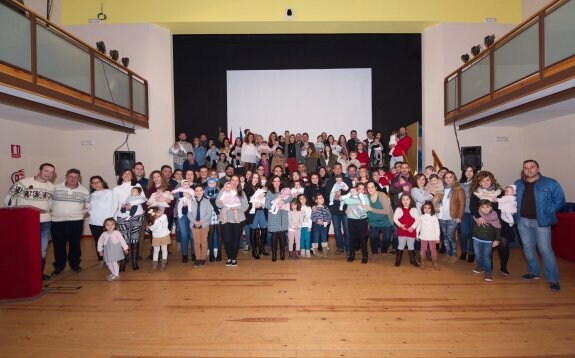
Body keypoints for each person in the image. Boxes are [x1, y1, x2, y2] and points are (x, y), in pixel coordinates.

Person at [515, 160, 565, 292]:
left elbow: (560, 201)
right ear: (523, 170)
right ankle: (534, 272)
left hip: (541, 222)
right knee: (528, 248)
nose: (529, 170)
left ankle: (553, 279)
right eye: (526, 168)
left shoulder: (550, 183)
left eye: (532, 167)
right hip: (523, 221)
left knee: (545, 250)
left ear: (538, 168)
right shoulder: (518, 184)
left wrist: (547, 211)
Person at [4, 163, 55, 280]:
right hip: (26, 222)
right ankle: (23, 273)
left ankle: (38, 274)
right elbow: (10, 198)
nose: (49, 174)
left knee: (42, 249)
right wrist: (12, 215)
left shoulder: (52, 187)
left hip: (45, 222)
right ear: (39, 170)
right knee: (25, 247)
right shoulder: (23, 183)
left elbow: (51, 203)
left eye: (52, 172)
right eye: (46, 171)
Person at [469, 171, 513, 275]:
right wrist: (479, 217)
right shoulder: (476, 194)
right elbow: (472, 207)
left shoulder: (500, 192)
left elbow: (507, 205)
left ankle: (503, 268)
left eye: (487, 180)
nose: (485, 182)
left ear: (491, 180)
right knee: (487, 246)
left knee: (503, 244)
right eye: (482, 180)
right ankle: (488, 267)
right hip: (484, 223)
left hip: (500, 222)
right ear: (479, 182)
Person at [50, 168, 90, 277]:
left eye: (76, 177)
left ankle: (75, 265)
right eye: (71, 176)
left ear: (79, 178)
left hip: (76, 222)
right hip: (57, 222)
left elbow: (88, 206)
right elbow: (49, 203)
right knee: (58, 245)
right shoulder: (55, 188)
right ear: (66, 177)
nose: (73, 179)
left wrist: (81, 214)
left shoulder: (84, 190)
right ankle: (59, 266)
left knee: (75, 245)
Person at [113, 168, 146, 271]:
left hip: (137, 215)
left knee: (134, 238)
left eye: (129, 173)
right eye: (124, 173)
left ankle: (134, 261)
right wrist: (113, 218)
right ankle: (123, 261)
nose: (127, 175)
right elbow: (114, 205)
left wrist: (130, 204)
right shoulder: (116, 189)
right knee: (124, 239)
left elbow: (143, 198)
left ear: (132, 176)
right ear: (121, 176)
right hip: (122, 216)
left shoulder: (137, 186)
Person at [216, 175, 248, 267]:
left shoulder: (242, 192)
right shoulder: (223, 190)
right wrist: (221, 203)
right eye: (232, 180)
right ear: (230, 181)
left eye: (236, 180)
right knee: (226, 239)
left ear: (239, 182)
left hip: (238, 219)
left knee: (236, 239)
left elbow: (245, 206)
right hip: (225, 218)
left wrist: (236, 207)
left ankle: (233, 258)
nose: (234, 182)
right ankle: (229, 257)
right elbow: (217, 203)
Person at [323, 163, 352, 256]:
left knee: (347, 229)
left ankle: (348, 248)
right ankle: (340, 247)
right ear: (333, 170)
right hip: (334, 209)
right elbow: (326, 195)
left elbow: (351, 192)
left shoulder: (347, 180)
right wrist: (333, 197)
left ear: (342, 169)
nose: (338, 170)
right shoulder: (329, 181)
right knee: (337, 229)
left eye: (340, 168)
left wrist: (341, 193)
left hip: (345, 208)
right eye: (336, 168)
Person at [438, 171, 465, 264]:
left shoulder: (458, 189)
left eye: (450, 177)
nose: (448, 179)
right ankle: (448, 253)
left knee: (450, 235)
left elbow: (462, 204)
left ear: (454, 178)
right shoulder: (441, 189)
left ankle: (454, 254)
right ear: (444, 179)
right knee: (445, 236)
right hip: (441, 216)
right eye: (446, 177)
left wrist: (459, 217)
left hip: (452, 217)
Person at [88, 175, 116, 269]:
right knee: (98, 242)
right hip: (94, 222)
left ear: (102, 182)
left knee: (110, 242)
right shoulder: (91, 195)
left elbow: (115, 206)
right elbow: (89, 209)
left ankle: (112, 260)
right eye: (93, 183)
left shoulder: (109, 192)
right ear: (91, 185)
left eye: (98, 182)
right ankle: (101, 260)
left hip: (107, 223)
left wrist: (111, 221)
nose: (96, 184)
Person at [471, 200, 501, 282]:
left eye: (487, 207)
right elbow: (473, 226)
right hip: (477, 239)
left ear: (491, 208)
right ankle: (480, 267)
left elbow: (498, 229)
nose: (485, 209)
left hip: (488, 241)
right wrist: (472, 235)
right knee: (477, 255)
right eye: (483, 207)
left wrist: (496, 240)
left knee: (487, 257)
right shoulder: (477, 216)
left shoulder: (494, 218)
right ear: (479, 208)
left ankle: (488, 272)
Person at [341, 182, 370, 263]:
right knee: (352, 237)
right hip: (351, 219)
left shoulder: (365, 197)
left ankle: (365, 255)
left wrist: (361, 208)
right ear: (356, 190)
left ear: (364, 190)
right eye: (359, 189)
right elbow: (346, 201)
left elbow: (367, 208)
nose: (361, 190)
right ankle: (352, 254)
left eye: (362, 189)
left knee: (362, 238)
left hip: (361, 220)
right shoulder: (351, 196)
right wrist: (359, 202)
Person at [365, 181, 394, 262]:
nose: (370, 189)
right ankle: (374, 253)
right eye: (368, 187)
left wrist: (372, 209)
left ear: (376, 188)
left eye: (372, 187)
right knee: (373, 237)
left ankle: (384, 251)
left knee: (387, 238)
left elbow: (387, 211)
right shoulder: (366, 197)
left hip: (386, 220)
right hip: (373, 220)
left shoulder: (382, 195)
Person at [265, 176, 292, 262]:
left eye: (278, 181)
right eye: (274, 181)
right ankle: (274, 254)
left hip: (283, 215)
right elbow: (266, 205)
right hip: (273, 216)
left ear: (280, 182)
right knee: (274, 236)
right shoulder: (269, 192)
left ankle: (282, 253)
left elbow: (290, 197)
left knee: (282, 235)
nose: (276, 183)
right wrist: (276, 205)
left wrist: (283, 202)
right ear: (272, 182)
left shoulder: (284, 191)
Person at [188, 185, 213, 267]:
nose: (198, 192)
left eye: (200, 190)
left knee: (204, 242)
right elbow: (189, 213)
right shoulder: (191, 202)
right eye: (197, 191)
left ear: (203, 191)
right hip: (194, 225)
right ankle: (197, 258)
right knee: (196, 242)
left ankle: (203, 258)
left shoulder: (207, 201)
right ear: (194, 192)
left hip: (204, 225)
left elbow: (209, 214)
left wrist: (201, 222)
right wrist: (195, 222)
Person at [244, 172, 268, 259]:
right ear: (251, 178)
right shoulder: (246, 188)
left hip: (261, 210)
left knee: (264, 228)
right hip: (252, 212)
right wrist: (253, 204)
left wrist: (262, 202)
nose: (255, 179)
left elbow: (265, 198)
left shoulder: (260, 187)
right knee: (253, 230)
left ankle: (262, 248)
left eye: (257, 178)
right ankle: (254, 250)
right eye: (254, 177)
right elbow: (245, 202)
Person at [393, 194, 420, 267]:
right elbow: (395, 219)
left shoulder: (414, 209)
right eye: (403, 199)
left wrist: (413, 227)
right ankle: (398, 260)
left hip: (411, 231)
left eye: (407, 199)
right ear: (401, 201)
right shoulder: (398, 209)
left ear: (410, 200)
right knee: (401, 245)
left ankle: (412, 260)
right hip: (402, 230)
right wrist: (400, 225)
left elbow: (418, 219)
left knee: (411, 246)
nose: (405, 201)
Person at [459, 165, 477, 262]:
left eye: (471, 171)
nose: (469, 173)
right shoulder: (460, 184)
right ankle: (464, 251)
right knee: (463, 233)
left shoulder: (478, 184)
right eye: (467, 171)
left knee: (473, 234)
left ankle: (471, 253)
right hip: (463, 212)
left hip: (475, 213)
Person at [417, 201, 440, 270]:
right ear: (423, 209)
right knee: (423, 249)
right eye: (425, 208)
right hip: (423, 236)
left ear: (431, 209)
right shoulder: (421, 217)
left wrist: (437, 237)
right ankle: (423, 262)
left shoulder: (434, 217)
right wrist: (417, 234)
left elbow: (437, 228)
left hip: (432, 237)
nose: (427, 210)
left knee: (433, 249)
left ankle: (435, 263)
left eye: (429, 208)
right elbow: (419, 226)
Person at [147, 206, 171, 272]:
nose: (160, 212)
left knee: (164, 249)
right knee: (156, 250)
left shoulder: (164, 216)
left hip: (164, 235)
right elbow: (152, 228)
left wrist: (156, 219)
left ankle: (164, 264)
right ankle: (154, 265)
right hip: (156, 237)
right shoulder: (151, 221)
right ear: (153, 214)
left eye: (160, 211)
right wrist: (153, 219)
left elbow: (162, 224)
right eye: (158, 212)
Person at [310, 193, 332, 258]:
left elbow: (329, 216)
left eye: (322, 197)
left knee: (324, 238)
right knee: (316, 238)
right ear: (316, 201)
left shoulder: (326, 207)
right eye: (319, 198)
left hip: (324, 225)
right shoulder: (314, 208)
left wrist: (327, 221)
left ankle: (325, 252)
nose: (321, 199)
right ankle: (315, 252)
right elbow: (312, 216)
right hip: (316, 225)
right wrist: (317, 220)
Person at [298, 194, 313, 259]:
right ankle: (302, 251)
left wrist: (310, 226)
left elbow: (310, 218)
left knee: (307, 239)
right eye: (301, 199)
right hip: (300, 227)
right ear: (299, 201)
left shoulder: (309, 208)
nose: (302, 200)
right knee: (301, 239)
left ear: (306, 199)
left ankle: (308, 252)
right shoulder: (298, 208)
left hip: (307, 226)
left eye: (303, 198)